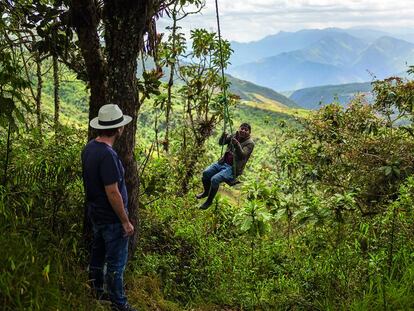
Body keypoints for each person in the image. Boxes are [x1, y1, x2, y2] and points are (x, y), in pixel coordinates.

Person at [81, 104, 137, 311]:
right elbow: (112, 192)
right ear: (119, 128)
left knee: (98, 252)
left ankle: (96, 291)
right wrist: (125, 221)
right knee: (116, 262)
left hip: (95, 213)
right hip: (112, 218)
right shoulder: (108, 155)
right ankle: (119, 303)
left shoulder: (89, 148)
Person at [197, 123, 255, 209]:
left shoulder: (250, 143)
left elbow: (243, 155)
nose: (243, 131)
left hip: (232, 168)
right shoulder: (235, 135)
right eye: (242, 128)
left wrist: (237, 145)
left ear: (249, 132)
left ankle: (209, 202)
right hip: (223, 162)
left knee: (215, 179)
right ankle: (206, 192)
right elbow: (221, 143)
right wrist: (223, 136)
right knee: (206, 173)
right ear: (239, 129)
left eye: (246, 130)